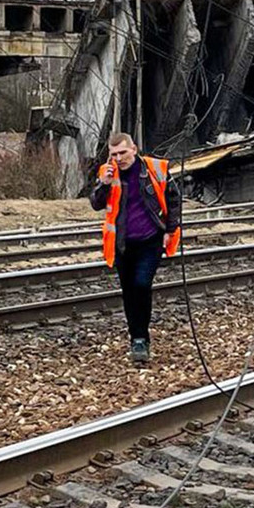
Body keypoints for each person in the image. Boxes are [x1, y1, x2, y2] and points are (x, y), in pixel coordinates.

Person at [90, 133, 182, 364]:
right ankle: (136, 338)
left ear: (134, 149)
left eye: (123, 152)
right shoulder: (107, 174)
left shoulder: (154, 169)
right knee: (129, 292)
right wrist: (105, 184)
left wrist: (170, 230)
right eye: (114, 154)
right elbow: (96, 203)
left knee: (142, 285)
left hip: (150, 240)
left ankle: (142, 338)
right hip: (122, 244)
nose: (119, 158)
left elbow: (174, 198)